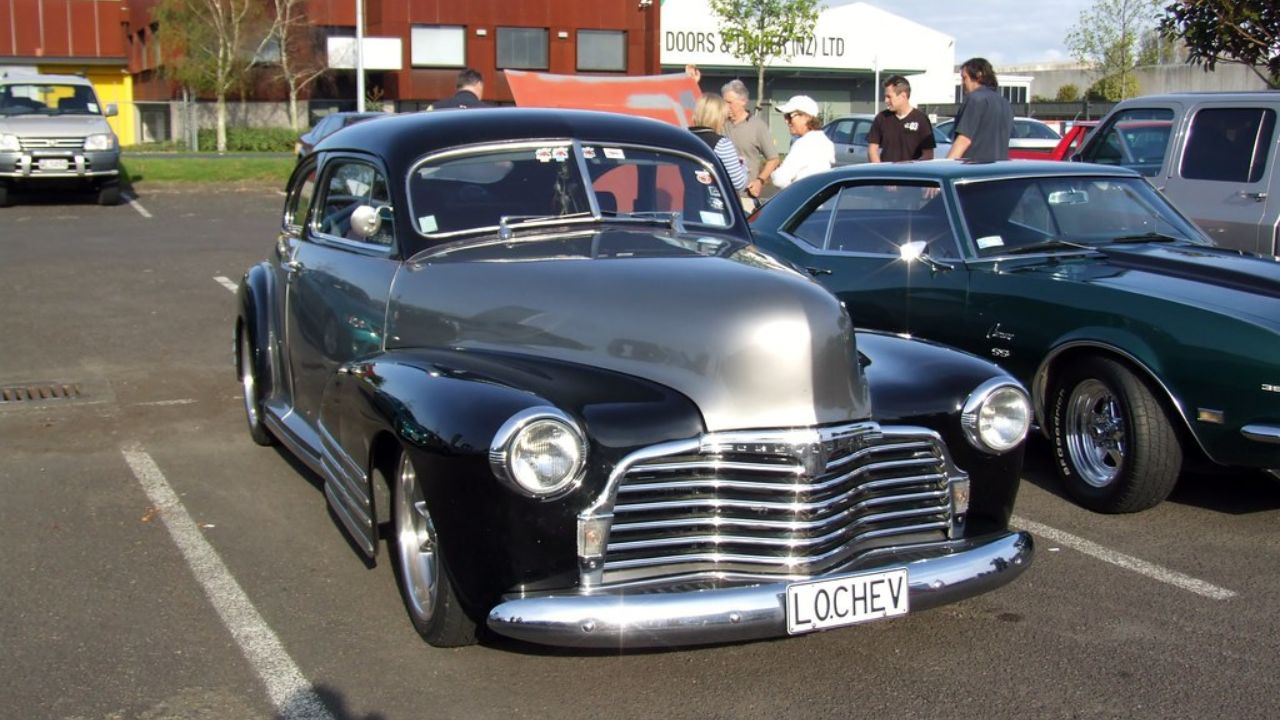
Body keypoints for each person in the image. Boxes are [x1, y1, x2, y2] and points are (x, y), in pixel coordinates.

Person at [721, 79, 780, 210]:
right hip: (721, 194)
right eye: (724, 102)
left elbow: (773, 159)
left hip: (745, 197)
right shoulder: (719, 123)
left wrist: (760, 181)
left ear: (743, 101)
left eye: (729, 102)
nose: (726, 106)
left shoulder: (757, 126)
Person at [946, 58, 1013, 162]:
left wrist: (946, 166)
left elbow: (964, 140)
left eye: (964, 78)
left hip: (972, 169)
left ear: (978, 75)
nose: (962, 83)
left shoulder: (974, 99)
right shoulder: (1005, 103)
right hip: (998, 169)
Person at [770, 95, 834, 188]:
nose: (786, 121)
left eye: (789, 116)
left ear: (806, 117)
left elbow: (779, 180)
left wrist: (774, 173)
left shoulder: (804, 144)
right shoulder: (824, 142)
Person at [868, 75, 936, 162]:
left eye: (889, 97)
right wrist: (879, 170)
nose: (886, 100)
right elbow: (872, 149)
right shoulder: (881, 118)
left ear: (903, 96)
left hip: (909, 174)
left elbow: (928, 154)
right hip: (886, 173)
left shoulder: (921, 119)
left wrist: (911, 169)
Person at [689, 93, 748, 192]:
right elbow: (738, 184)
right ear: (718, 117)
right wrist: (743, 166)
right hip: (714, 203)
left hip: (689, 200)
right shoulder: (721, 144)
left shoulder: (685, 138)